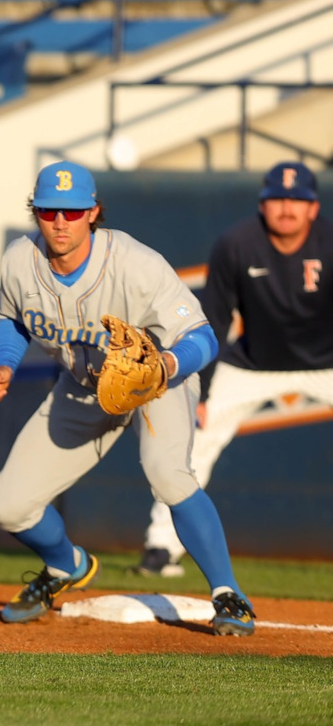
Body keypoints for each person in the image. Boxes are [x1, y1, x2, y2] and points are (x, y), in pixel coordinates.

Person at [0, 161, 254, 635]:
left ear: (93, 212)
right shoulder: (18, 261)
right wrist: (6, 363)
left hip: (155, 383)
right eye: (48, 211)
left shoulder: (134, 263)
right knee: (9, 507)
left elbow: (204, 337)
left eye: (72, 211)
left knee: (169, 476)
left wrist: (165, 366)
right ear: (36, 213)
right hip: (84, 387)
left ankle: (228, 594)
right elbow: (13, 317)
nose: (60, 222)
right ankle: (66, 566)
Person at [131, 161, 331, 577]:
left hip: (327, 361)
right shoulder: (237, 244)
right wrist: (200, 393)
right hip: (251, 364)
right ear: (262, 204)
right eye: (277, 199)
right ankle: (162, 547)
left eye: (297, 201)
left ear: (314, 208)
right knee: (194, 441)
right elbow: (214, 322)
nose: (287, 208)